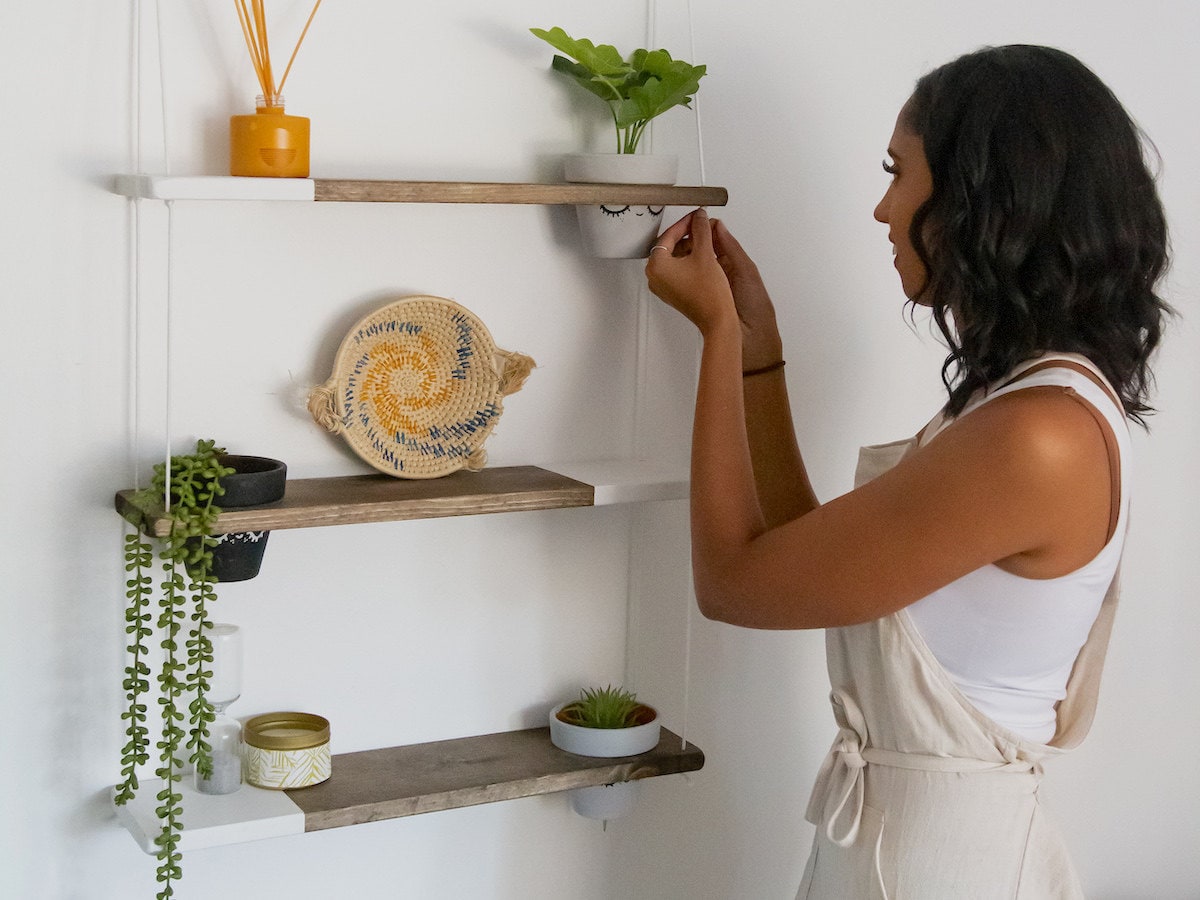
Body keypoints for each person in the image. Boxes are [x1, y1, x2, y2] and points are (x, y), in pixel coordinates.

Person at [644, 45, 1170, 898]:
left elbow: (732, 581)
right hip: (906, 845)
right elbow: (802, 557)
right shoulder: (1026, 401)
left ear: (982, 198)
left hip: (939, 867)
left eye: (900, 174)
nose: (884, 208)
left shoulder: (1038, 436)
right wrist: (757, 352)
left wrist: (715, 338)